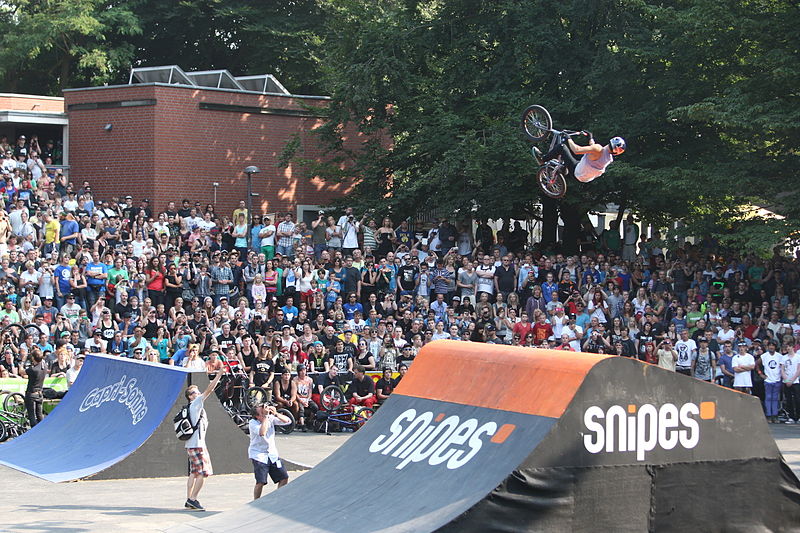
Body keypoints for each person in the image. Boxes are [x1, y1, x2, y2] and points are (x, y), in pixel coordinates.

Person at [183, 369, 224, 511]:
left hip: (192, 445)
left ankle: (188, 499)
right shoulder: (196, 404)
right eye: (195, 392)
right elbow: (210, 389)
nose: (198, 393)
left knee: (194, 473)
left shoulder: (190, 407)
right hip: (197, 445)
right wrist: (219, 375)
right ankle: (193, 499)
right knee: (204, 472)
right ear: (190, 397)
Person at [534, 132, 626, 183]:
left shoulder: (598, 149)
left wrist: (568, 138)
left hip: (577, 171)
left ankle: (542, 160)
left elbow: (576, 150)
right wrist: (590, 138)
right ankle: (564, 168)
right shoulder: (609, 158)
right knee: (583, 155)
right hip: (584, 177)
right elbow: (593, 150)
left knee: (562, 147)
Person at [248, 404, 292, 499]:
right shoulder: (253, 423)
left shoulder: (270, 418)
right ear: (257, 416)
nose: (265, 412)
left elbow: (288, 421)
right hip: (259, 455)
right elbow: (262, 432)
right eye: (262, 412)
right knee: (261, 482)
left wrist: (275, 413)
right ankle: (256, 501)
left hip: (272, 454)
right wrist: (266, 417)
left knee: (284, 477)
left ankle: (279, 498)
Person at [21, 347, 46, 427]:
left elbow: (21, 371)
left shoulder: (33, 370)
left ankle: (33, 432)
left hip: (31, 394)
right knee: (39, 415)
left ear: (33, 358)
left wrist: (22, 361)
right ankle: (42, 430)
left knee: (32, 416)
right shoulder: (44, 367)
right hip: (39, 394)